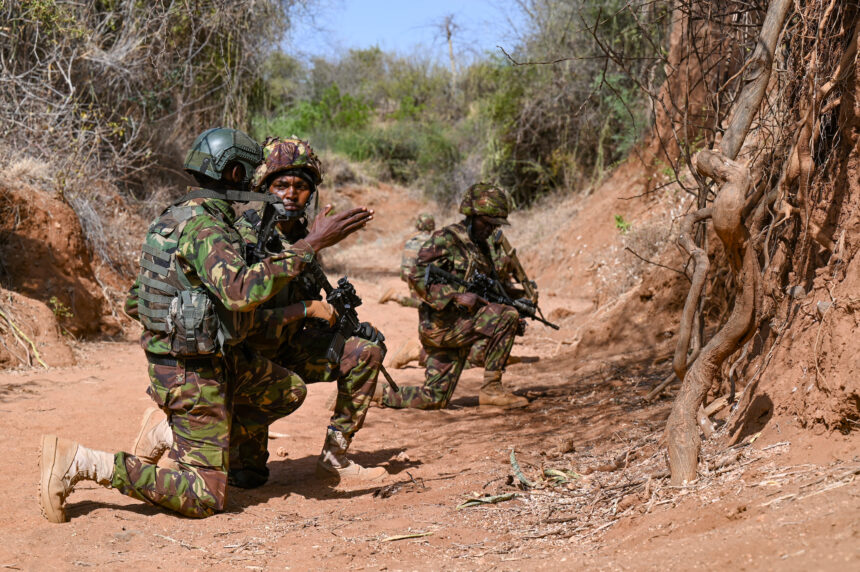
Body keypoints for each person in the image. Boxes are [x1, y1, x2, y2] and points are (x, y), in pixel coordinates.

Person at [38, 127, 372, 523]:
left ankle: (172, 434)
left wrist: (187, 318)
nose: (264, 187)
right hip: (190, 372)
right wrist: (310, 247)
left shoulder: (179, 216)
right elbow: (241, 291)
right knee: (206, 497)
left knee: (285, 392)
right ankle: (85, 462)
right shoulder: (206, 228)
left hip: (207, 359)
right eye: (254, 175)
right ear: (235, 174)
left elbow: (135, 299)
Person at [230, 136, 387, 484]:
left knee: (364, 350)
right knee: (246, 477)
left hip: (284, 352)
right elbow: (239, 321)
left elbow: (311, 311)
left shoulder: (305, 236)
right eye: (281, 185)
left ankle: (335, 457)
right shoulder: (242, 239)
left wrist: (343, 328)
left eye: (300, 187)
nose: (291, 194)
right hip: (243, 363)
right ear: (264, 188)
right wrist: (305, 309)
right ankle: (177, 431)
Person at [377, 183, 528, 411]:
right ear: (471, 215)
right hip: (440, 326)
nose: (490, 229)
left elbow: (490, 291)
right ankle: (491, 389)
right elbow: (416, 276)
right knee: (506, 315)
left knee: (434, 398)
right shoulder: (447, 239)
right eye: (486, 222)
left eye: (495, 224)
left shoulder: (482, 248)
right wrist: (455, 296)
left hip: (460, 325)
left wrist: (515, 309)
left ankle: (376, 392)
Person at [379, 213, 436, 308]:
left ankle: (397, 297)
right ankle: (397, 297)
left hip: (407, 276)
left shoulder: (411, 240)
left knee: (420, 303)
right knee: (428, 306)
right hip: (422, 278)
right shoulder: (432, 241)